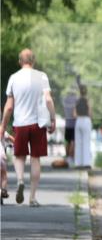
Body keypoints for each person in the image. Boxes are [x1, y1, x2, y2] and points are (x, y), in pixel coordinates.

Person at [1, 49, 57, 206]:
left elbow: (9, 107)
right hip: (38, 124)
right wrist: (53, 119)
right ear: (34, 61)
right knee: (35, 158)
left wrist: (2, 126)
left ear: (20, 61)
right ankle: (32, 198)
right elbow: (48, 99)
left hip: (20, 124)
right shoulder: (42, 76)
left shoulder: (13, 78)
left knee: (19, 156)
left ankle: (20, 181)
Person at [74, 86, 93, 168]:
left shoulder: (77, 101)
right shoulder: (88, 101)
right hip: (86, 120)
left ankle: (78, 163)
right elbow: (90, 112)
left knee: (78, 143)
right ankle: (86, 163)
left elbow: (74, 114)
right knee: (86, 142)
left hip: (78, 121)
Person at [63, 87, 78, 161]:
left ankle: (67, 156)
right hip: (74, 123)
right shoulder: (76, 100)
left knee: (67, 141)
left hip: (67, 123)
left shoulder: (65, 100)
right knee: (73, 141)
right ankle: (71, 157)